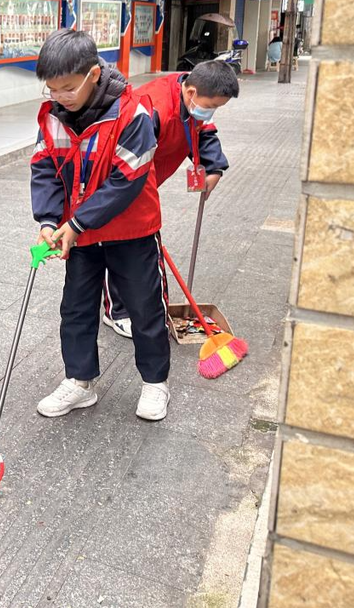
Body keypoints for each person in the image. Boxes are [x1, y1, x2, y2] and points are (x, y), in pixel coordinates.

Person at [30, 29, 172, 422]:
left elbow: (127, 178)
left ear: (94, 74)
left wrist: (76, 222)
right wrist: (47, 221)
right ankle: (79, 382)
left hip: (131, 230)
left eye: (68, 88)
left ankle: (155, 383)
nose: (60, 97)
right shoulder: (53, 117)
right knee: (76, 308)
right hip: (81, 233)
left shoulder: (133, 113)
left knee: (144, 307)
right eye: (52, 89)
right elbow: (44, 169)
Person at [101, 61, 239, 338]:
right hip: (121, 178)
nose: (210, 112)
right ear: (190, 92)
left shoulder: (194, 98)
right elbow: (129, 158)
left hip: (149, 176)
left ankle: (139, 304)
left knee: (139, 245)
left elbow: (204, 132)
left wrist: (214, 168)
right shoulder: (152, 108)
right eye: (210, 105)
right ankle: (116, 311)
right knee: (118, 242)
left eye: (217, 107)